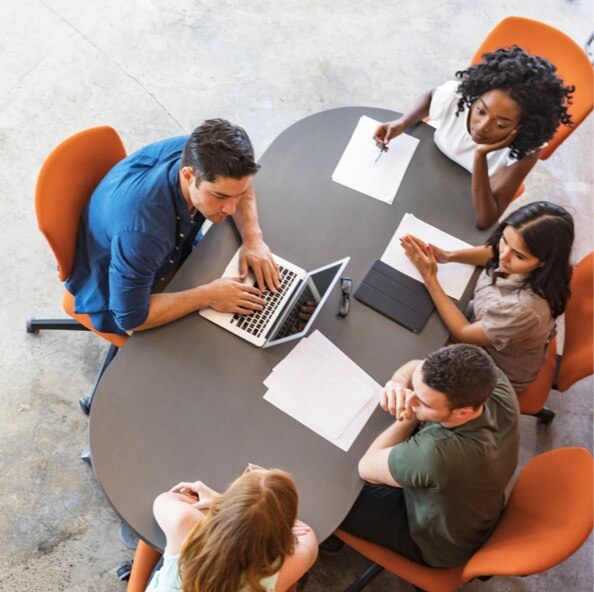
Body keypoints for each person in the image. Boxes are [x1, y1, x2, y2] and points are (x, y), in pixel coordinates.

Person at [66, 118, 280, 337]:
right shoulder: (144, 235)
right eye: (219, 196)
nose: (231, 208)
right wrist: (209, 295)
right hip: (119, 292)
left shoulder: (202, 155)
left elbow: (239, 184)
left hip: (164, 249)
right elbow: (130, 318)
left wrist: (253, 239)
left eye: (239, 195)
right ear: (188, 176)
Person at [337, 344, 520, 567]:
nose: (412, 398)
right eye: (415, 388)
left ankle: (330, 542)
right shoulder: (490, 380)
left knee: (333, 491)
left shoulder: (438, 453)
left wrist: (409, 414)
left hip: (434, 542)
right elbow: (415, 367)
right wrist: (396, 383)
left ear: (463, 412)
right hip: (471, 508)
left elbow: (367, 468)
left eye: (423, 402)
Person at [374, 46, 574, 228]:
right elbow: (431, 95)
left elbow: (485, 220)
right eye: (480, 111)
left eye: (501, 124)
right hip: (422, 173)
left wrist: (480, 157)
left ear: (521, 127)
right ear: (476, 97)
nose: (483, 126)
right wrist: (403, 121)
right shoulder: (456, 97)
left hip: (457, 202)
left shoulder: (526, 149)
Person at [401, 201, 574, 392]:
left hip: (493, 370)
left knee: (409, 360)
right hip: (483, 322)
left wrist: (430, 277)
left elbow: (464, 332)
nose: (503, 257)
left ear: (544, 262)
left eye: (518, 255)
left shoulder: (523, 308)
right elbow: (493, 253)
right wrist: (449, 256)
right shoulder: (524, 260)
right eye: (505, 240)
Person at [146, 469, 318, 591]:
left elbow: (165, 498)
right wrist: (279, 521)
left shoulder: (185, 523)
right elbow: (308, 534)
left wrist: (221, 504)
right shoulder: (287, 565)